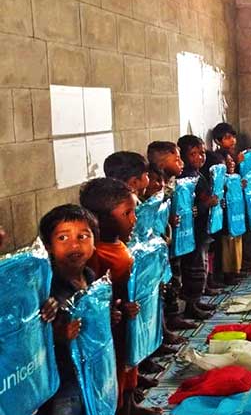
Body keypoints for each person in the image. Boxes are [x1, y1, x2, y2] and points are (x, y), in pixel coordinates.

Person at [79, 178, 161, 415]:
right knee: (115, 371)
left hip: (128, 321)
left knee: (129, 367)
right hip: (112, 327)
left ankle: (130, 405)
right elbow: (95, 298)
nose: (134, 219)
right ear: (102, 219)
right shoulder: (97, 255)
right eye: (128, 214)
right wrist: (119, 308)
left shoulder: (121, 244)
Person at [37, 205, 101, 415]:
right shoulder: (47, 287)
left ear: (94, 241)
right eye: (63, 238)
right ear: (48, 246)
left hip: (87, 368)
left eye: (83, 236)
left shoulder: (90, 276)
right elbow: (35, 334)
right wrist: (57, 335)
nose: (75, 245)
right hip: (61, 377)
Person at [146, 141, 193, 332]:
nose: (181, 163)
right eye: (177, 159)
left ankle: (172, 318)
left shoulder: (170, 183)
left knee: (174, 280)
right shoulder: (155, 186)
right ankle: (164, 327)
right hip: (158, 248)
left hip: (170, 243)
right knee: (163, 286)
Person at [177, 135, 218, 320]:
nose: (199, 157)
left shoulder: (198, 174)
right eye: (193, 154)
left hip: (201, 231)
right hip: (191, 232)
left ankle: (197, 299)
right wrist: (206, 205)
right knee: (192, 269)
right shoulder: (185, 178)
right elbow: (190, 209)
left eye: (201, 153)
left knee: (201, 266)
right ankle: (190, 306)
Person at [212, 122, 244, 284]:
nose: (232, 140)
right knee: (226, 240)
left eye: (233, 137)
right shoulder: (218, 157)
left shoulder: (229, 155)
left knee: (234, 236)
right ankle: (227, 273)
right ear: (218, 141)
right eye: (227, 138)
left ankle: (235, 270)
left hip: (231, 203)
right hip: (223, 204)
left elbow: (232, 178)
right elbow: (222, 180)